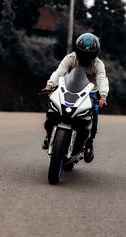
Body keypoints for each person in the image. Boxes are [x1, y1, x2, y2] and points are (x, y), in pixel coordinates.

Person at [41, 33, 109, 163]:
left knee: (94, 111)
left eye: (90, 55)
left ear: (95, 54)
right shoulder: (70, 58)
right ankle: (49, 135)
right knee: (53, 106)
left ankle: (89, 142)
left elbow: (102, 79)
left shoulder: (98, 64)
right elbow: (59, 72)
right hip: (67, 90)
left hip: (90, 94)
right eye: (83, 54)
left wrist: (103, 96)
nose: (85, 57)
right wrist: (50, 85)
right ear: (77, 51)